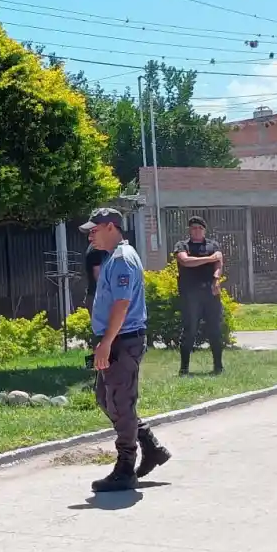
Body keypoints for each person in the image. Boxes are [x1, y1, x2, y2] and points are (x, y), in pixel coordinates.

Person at [80, 208, 165, 493]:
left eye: (94, 228)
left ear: (110, 227)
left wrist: (106, 343)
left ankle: (126, 467)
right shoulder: (112, 259)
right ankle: (150, 446)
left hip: (123, 340)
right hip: (115, 338)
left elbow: (122, 305)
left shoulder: (122, 259)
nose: (90, 234)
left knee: (119, 401)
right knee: (106, 398)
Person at [173, 217, 225, 375]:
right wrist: (209, 258)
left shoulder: (213, 245)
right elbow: (186, 261)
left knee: (215, 329)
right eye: (193, 228)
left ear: (204, 230)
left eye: (199, 228)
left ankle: (218, 367)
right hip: (190, 293)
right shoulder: (182, 245)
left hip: (210, 292)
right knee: (190, 330)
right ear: (189, 230)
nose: (196, 230)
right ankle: (184, 369)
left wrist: (216, 279)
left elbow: (219, 264)